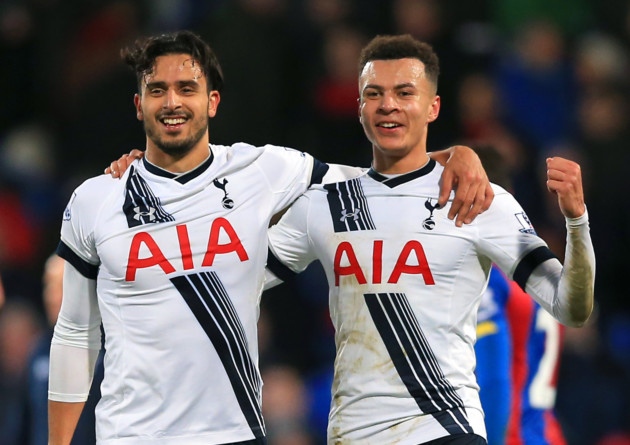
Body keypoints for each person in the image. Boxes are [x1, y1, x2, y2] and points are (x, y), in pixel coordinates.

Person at [49, 30, 491, 445]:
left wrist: (455, 155)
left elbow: (377, 181)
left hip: (235, 432)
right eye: (157, 89)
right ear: (138, 103)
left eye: (187, 88)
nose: (172, 102)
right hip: (130, 435)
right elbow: (75, 333)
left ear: (213, 101)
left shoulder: (262, 170)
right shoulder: (96, 199)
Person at [264, 34, 595, 444]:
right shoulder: (324, 202)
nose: (389, 105)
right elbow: (235, 279)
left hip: (447, 428)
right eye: (375, 94)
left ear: (432, 107)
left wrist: (576, 222)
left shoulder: (478, 199)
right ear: (360, 108)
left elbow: (572, 306)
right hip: (353, 432)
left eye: (405, 92)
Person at [24, 254, 103, 445]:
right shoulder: (39, 349)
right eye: (48, 285)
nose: (51, 296)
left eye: (61, 286)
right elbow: (25, 422)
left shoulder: (108, 350)